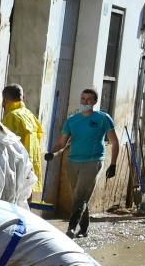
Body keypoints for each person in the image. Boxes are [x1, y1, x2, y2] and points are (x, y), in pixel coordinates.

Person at [47, 87, 119, 238]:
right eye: (83, 99)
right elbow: (62, 143)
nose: (85, 102)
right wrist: (52, 153)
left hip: (93, 161)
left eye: (88, 99)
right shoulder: (72, 120)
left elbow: (114, 141)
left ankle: (71, 228)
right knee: (79, 197)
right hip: (73, 161)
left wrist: (113, 164)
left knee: (80, 196)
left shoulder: (103, 118)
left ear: (94, 102)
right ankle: (84, 228)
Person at [1, 84, 45, 199]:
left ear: (4, 99)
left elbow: (6, 144)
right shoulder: (29, 115)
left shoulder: (11, 116)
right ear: (23, 97)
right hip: (30, 167)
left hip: (17, 168)